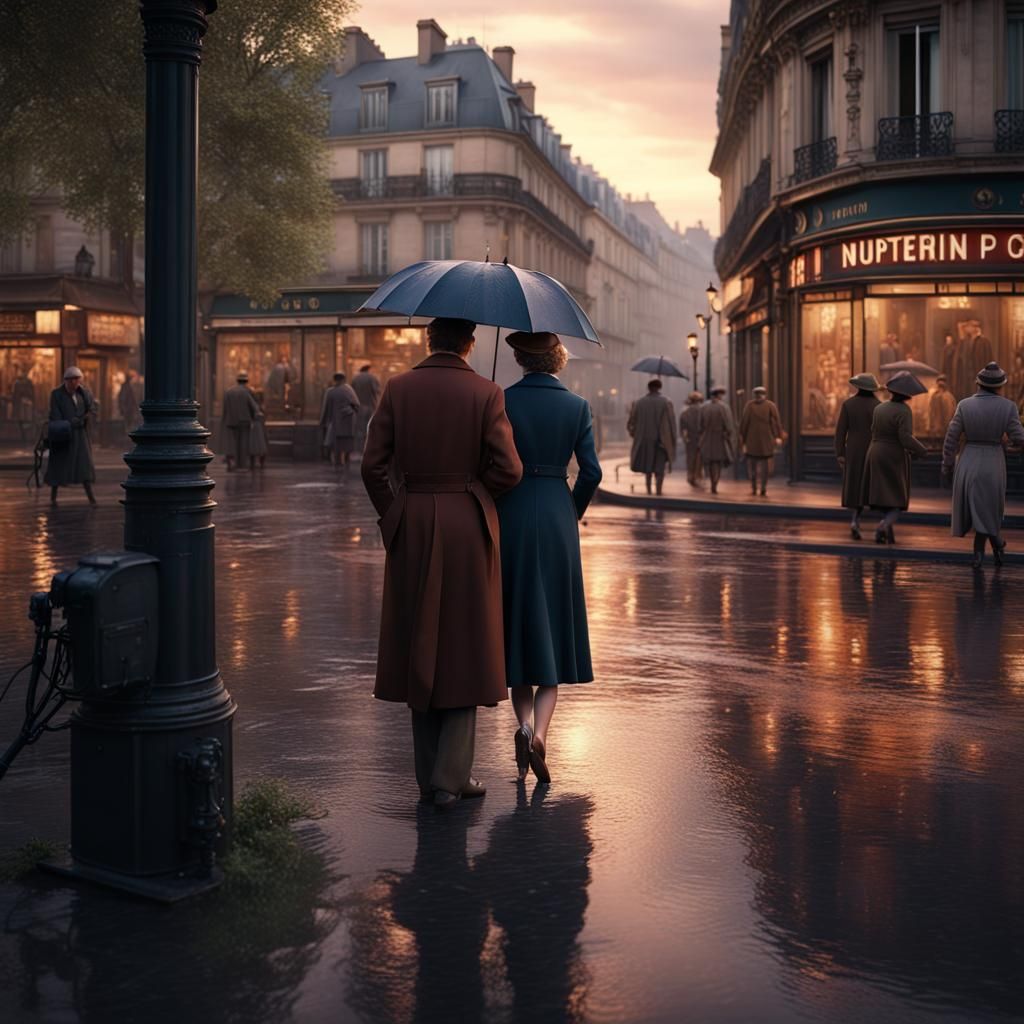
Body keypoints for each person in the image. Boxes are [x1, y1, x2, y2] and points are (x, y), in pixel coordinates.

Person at [361, 317, 523, 808]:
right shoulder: (487, 392)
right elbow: (509, 469)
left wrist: (395, 510)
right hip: (465, 522)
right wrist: (477, 492)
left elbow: (372, 466)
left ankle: (427, 775)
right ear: (470, 343)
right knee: (464, 644)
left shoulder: (398, 387)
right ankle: (452, 778)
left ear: (428, 340)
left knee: (419, 642)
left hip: (412, 519)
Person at [496, 331, 601, 785]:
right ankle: (540, 734)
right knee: (555, 626)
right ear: (557, 359)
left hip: (513, 511)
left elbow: (491, 463)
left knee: (518, 621)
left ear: (519, 358)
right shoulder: (576, 406)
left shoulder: (501, 401)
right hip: (557, 513)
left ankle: (520, 726)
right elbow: (592, 472)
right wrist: (570, 511)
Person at [942, 362, 1024, 569]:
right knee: (988, 508)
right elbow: (1019, 438)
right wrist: (1007, 442)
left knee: (978, 508)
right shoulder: (1008, 407)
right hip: (993, 461)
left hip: (968, 459)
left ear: (978, 384)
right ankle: (992, 547)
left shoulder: (964, 405)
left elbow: (951, 438)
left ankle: (987, 550)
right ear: (1000, 386)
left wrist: (947, 464)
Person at [860, 371, 928, 544]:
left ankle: (888, 533)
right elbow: (905, 437)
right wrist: (921, 450)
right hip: (892, 455)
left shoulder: (879, 407)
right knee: (897, 500)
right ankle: (882, 527)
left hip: (874, 451)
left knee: (884, 497)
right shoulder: (904, 411)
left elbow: (873, 430)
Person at [834, 373, 881, 539]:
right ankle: (884, 523)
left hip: (853, 450)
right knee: (872, 484)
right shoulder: (879, 406)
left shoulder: (848, 404)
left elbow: (840, 432)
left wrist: (840, 453)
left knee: (855, 484)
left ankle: (855, 520)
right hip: (873, 448)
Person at [45, 366, 97, 506]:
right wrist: (69, 423)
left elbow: (92, 409)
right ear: (66, 381)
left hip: (80, 436)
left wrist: (85, 418)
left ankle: (91, 499)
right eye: (71, 380)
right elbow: (55, 414)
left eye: (77, 380)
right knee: (58, 466)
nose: (74, 383)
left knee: (84, 466)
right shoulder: (56, 394)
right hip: (63, 435)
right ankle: (53, 498)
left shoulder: (84, 393)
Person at [627, 379, 676, 495]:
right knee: (659, 468)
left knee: (648, 467)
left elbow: (630, 423)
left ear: (648, 388)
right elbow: (672, 423)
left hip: (644, 440)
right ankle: (659, 490)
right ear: (660, 387)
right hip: (662, 441)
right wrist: (672, 439)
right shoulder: (666, 402)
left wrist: (636, 435)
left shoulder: (639, 402)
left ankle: (648, 490)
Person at [738, 385, 783, 496]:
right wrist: (779, 436)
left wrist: (742, 438)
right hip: (766, 440)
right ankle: (763, 487)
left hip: (752, 440)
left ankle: (754, 487)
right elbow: (777, 422)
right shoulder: (770, 405)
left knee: (753, 465)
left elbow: (744, 423)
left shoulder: (750, 406)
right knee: (765, 465)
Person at [699, 386, 736, 494]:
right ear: (719, 395)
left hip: (707, 437)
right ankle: (715, 483)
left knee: (710, 462)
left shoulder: (704, 407)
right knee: (717, 462)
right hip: (719, 437)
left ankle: (712, 481)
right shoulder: (724, 407)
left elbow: (699, 425)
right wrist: (729, 435)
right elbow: (729, 424)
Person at [321, 371, 360, 470]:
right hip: (348, 420)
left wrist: (323, 421)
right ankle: (346, 459)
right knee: (347, 441)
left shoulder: (330, 391)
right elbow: (356, 404)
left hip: (336, 420)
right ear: (343, 379)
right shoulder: (348, 390)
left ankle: (338, 460)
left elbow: (326, 407)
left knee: (336, 442)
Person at [222, 371, 260, 472]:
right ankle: (242, 466)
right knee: (243, 444)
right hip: (244, 421)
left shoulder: (229, 391)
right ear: (246, 381)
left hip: (231, 421)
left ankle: (234, 464)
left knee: (234, 444)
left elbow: (225, 408)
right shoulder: (247, 391)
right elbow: (254, 407)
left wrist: (225, 420)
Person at [351, 363, 382, 450]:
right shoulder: (372, 378)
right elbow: (377, 390)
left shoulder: (355, 378)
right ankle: (368, 447)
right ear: (368, 369)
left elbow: (352, 392)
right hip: (370, 405)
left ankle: (359, 448)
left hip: (359, 406)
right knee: (370, 427)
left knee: (360, 427)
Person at [679, 391, 704, 487]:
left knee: (690, 458)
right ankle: (699, 476)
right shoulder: (703, 410)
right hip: (702, 438)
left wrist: (685, 438)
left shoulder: (685, 413)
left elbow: (683, 428)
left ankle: (690, 476)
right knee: (700, 458)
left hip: (690, 438)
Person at [117, 368, 143, 435]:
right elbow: (123, 398)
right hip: (128, 409)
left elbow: (131, 399)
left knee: (129, 425)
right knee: (128, 425)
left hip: (129, 409)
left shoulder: (129, 386)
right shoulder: (126, 386)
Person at [249, 388, 268, 471]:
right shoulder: (256, 406)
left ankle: (258, 463)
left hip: (259, 427)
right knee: (257, 447)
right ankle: (257, 464)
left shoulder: (259, 406)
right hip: (257, 427)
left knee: (258, 447)